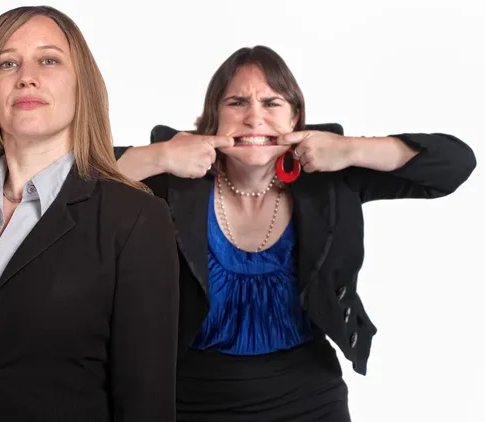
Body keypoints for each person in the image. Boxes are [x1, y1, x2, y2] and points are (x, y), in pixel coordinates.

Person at [115, 45, 476, 421]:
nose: (254, 118)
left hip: (309, 395)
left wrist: (350, 149)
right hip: (185, 396)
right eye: (236, 102)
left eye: (272, 103)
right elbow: (62, 184)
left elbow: (454, 165)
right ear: (214, 118)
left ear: (296, 118)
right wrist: (157, 157)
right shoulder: (172, 181)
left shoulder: (332, 178)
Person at [0, 6, 179, 422]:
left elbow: (145, 403)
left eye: (49, 60)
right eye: (7, 63)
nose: (26, 75)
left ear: (83, 88)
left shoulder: (136, 220)